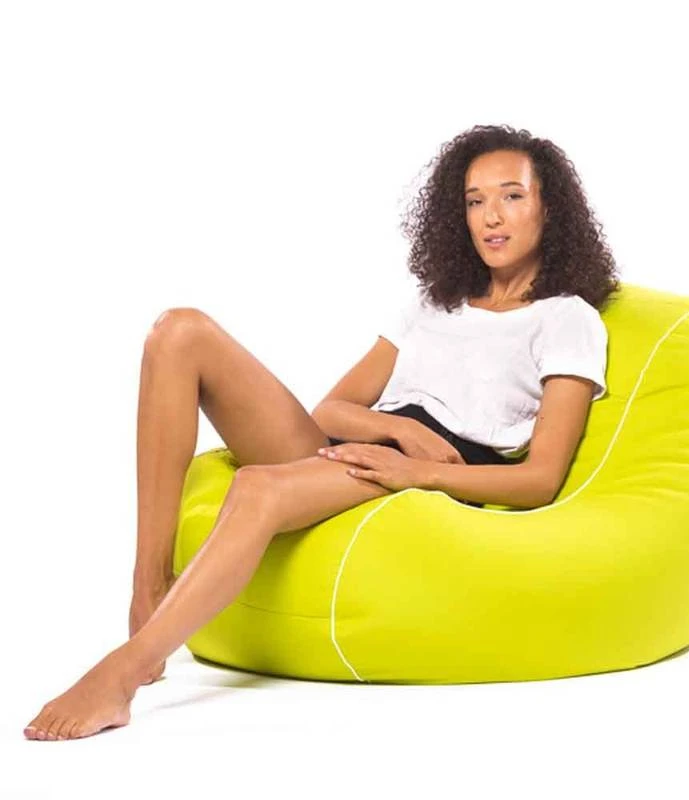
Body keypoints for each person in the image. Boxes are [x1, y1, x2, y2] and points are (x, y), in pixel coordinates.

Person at [23, 124, 620, 741]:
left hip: (438, 474)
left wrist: (414, 469)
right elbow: (333, 410)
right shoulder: (433, 305)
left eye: (512, 196)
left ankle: (122, 674)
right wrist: (398, 431)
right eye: (475, 200)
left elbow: (541, 478)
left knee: (258, 486)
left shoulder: (566, 319)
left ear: (549, 207)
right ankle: (148, 586)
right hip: (372, 448)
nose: (491, 217)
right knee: (179, 331)